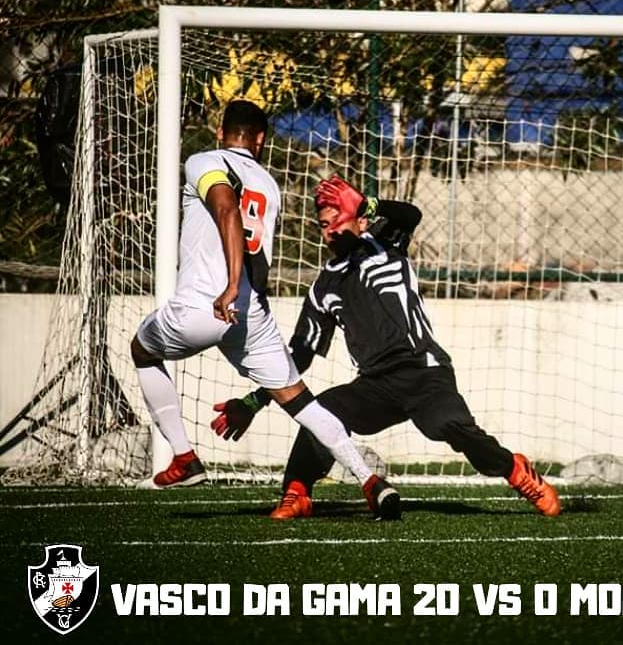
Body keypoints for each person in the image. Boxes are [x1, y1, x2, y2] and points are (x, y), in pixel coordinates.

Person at [210, 174, 561, 520]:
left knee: (448, 425)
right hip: (376, 385)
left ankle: (515, 470)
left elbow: (410, 215)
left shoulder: (385, 244)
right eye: (324, 225)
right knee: (321, 411)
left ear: (360, 220)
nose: (330, 231)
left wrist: (367, 203)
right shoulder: (322, 287)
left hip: (425, 372)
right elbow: (298, 356)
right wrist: (254, 402)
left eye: (337, 220)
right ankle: (297, 492)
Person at [131, 100, 399, 520]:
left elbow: (226, 208)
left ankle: (184, 457)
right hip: (250, 312)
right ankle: (370, 480)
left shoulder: (204, 161)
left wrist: (230, 285)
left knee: (142, 351)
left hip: (206, 304)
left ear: (221, 133)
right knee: (301, 403)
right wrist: (252, 306)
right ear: (260, 140)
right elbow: (261, 257)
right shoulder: (269, 186)